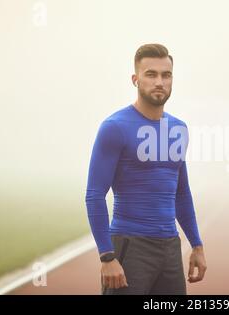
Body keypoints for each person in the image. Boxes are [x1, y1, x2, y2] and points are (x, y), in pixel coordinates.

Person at [85, 43, 207, 295]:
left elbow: (181, 192)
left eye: (166, 74)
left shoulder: (178, 129)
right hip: (130, 247)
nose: (159, 82)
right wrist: (107, 257)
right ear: (135, 79)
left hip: (170, 249)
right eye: (151, 74)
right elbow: (95, 194)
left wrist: (196, 244)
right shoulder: (114, 127)